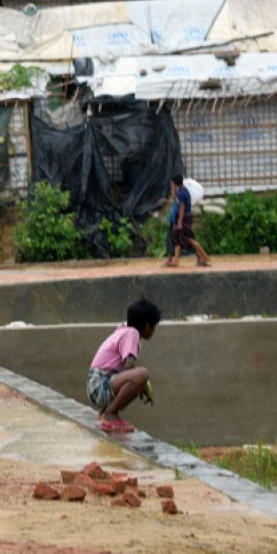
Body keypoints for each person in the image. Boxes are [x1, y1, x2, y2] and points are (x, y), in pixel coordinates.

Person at [88, 298, 159, 434]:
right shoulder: (132, 333)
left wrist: (142, 385)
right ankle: (110, 414)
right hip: (99, 385)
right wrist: (143, 383)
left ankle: (107, 412)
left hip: (99, 384)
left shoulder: (125, 329)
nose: (153, 331)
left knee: (139, 380)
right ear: (147, 326)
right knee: (142, 374)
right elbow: (129, 367)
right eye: (153, 327)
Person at [165, 175, 211, 268]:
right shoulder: (182, 191)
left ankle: (205, 257)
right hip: (183, 217)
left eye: (172, 183)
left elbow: (182, 208)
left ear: (174, 183)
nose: (171, 185)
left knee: (190, 239)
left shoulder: (182, 193)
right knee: (177, 239)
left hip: (184, 218)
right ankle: (176, 261)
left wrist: (180, 222)